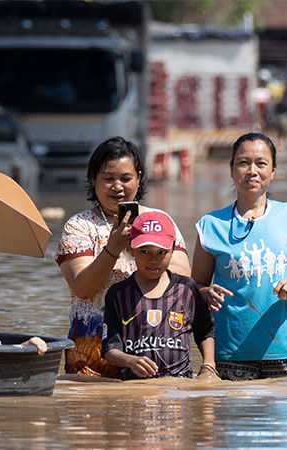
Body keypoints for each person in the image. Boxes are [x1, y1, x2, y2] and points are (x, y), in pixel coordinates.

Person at [55, 136, 191, 378]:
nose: (117, 186)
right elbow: (84, 288)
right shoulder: (78, 226)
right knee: (89, 411)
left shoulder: (160, 221)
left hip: (150, 345)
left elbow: (182, 281)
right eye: (108, 179)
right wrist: (113, 248)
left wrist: (145, 252)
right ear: (93, 179)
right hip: (91, 348)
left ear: (139, 178)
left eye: (126, 178)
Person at [192, 132, 287, 381]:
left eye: (261, 163)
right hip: (230, 353)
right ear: (231, 169)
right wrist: (205, 294)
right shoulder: (210, 225)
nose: (252, 171)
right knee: (233, 419)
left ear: (273, 171)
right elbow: (194, 285)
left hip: (286, 350)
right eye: (243, 162)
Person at [102, 211, 217, 380]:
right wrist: (131, 361)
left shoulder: (187, 289)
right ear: (130, 249)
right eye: (144, 251)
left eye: (161, 252)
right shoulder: (118, 294)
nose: (154, 260)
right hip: (136, 389)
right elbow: (109, 349)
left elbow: (205, 331)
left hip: (179, 387)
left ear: (173, 250)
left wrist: (208, 365)